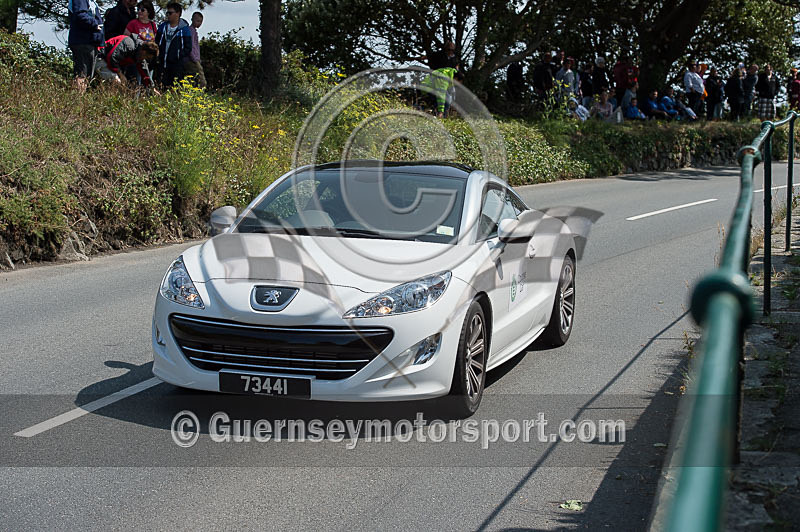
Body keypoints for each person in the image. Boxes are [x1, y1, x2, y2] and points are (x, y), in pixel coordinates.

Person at [68, 0, 104, 93]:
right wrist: (95, 24)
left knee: (86, 75)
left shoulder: (91, 1)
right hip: (83, 41)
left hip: (89, 42)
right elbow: (80, 15)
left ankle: (79, 96)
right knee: (82, 74)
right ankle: (77, 98)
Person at [155, 3, 193, 87]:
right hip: (162, 62)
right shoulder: (163, 27)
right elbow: (157, 41)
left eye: (170, 13)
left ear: (178, 13)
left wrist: (178, 55)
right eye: (167, 13)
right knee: (161, 85)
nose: (168, 15)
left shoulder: (184, 29)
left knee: (174, 86)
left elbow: (188, 47)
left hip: (176, 64)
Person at [183, 11, 206, 88]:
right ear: (192, 20)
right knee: (200, 79)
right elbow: (191, 46)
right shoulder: (190, 31)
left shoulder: (194, 32)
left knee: (193, 78)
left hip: (196, 58)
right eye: (197, 21)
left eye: (201, 21)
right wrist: (195, 58)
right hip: (192, 59)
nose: (199, 23)